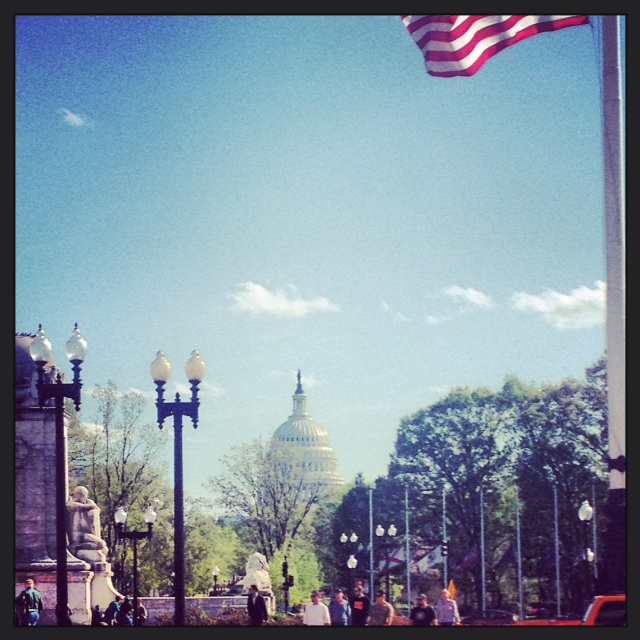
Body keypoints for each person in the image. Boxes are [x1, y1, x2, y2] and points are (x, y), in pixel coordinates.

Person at [66, 485, 108, 559]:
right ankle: (75, 547)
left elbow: (97, 508)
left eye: (84, 495)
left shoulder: (88, 502)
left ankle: (77, 547)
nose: (83, 497)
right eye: (81, 494)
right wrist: (86, 506)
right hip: (78, 535)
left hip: (86, 534)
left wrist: (88, 506)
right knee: (101, 544)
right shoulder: (74, 503)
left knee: (105, 549)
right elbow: (73, 506)